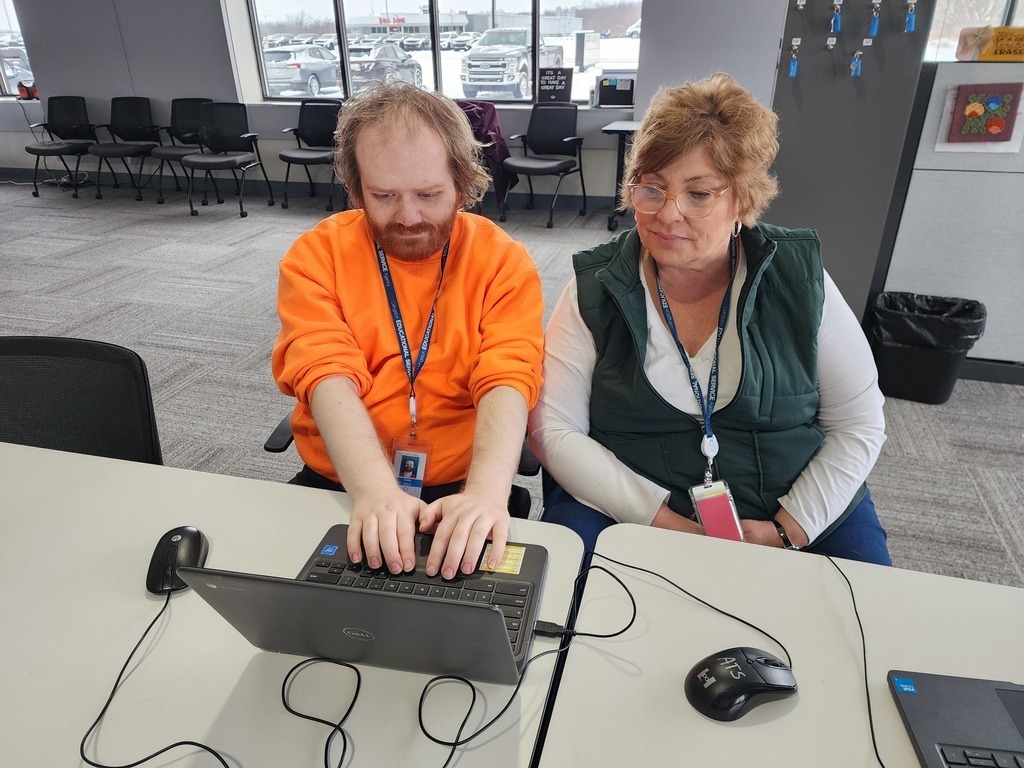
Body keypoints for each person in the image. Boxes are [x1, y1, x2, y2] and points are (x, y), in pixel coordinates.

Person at [528, 73, 891, 565]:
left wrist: (790, 530)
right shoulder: (597, 286)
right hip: (631, 508)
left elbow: (859, 424)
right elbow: (556, 429)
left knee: (865, 626)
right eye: (651, 188)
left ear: (742, 200)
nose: (667, 214)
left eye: (698, 194)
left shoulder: (798, 280)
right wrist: (667, 526)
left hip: (794, 509)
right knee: (558, 603)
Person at [273, 81, 543, 581]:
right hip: (347, 483)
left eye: (429, 193)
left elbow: (508, 376)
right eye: (383, 196)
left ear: (462, 183)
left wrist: (485, 494)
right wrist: (375, 492)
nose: (409, 216)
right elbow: (324, 374)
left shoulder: (502, 261)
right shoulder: (316, 257)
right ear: (356, 190)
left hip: (463, 488)